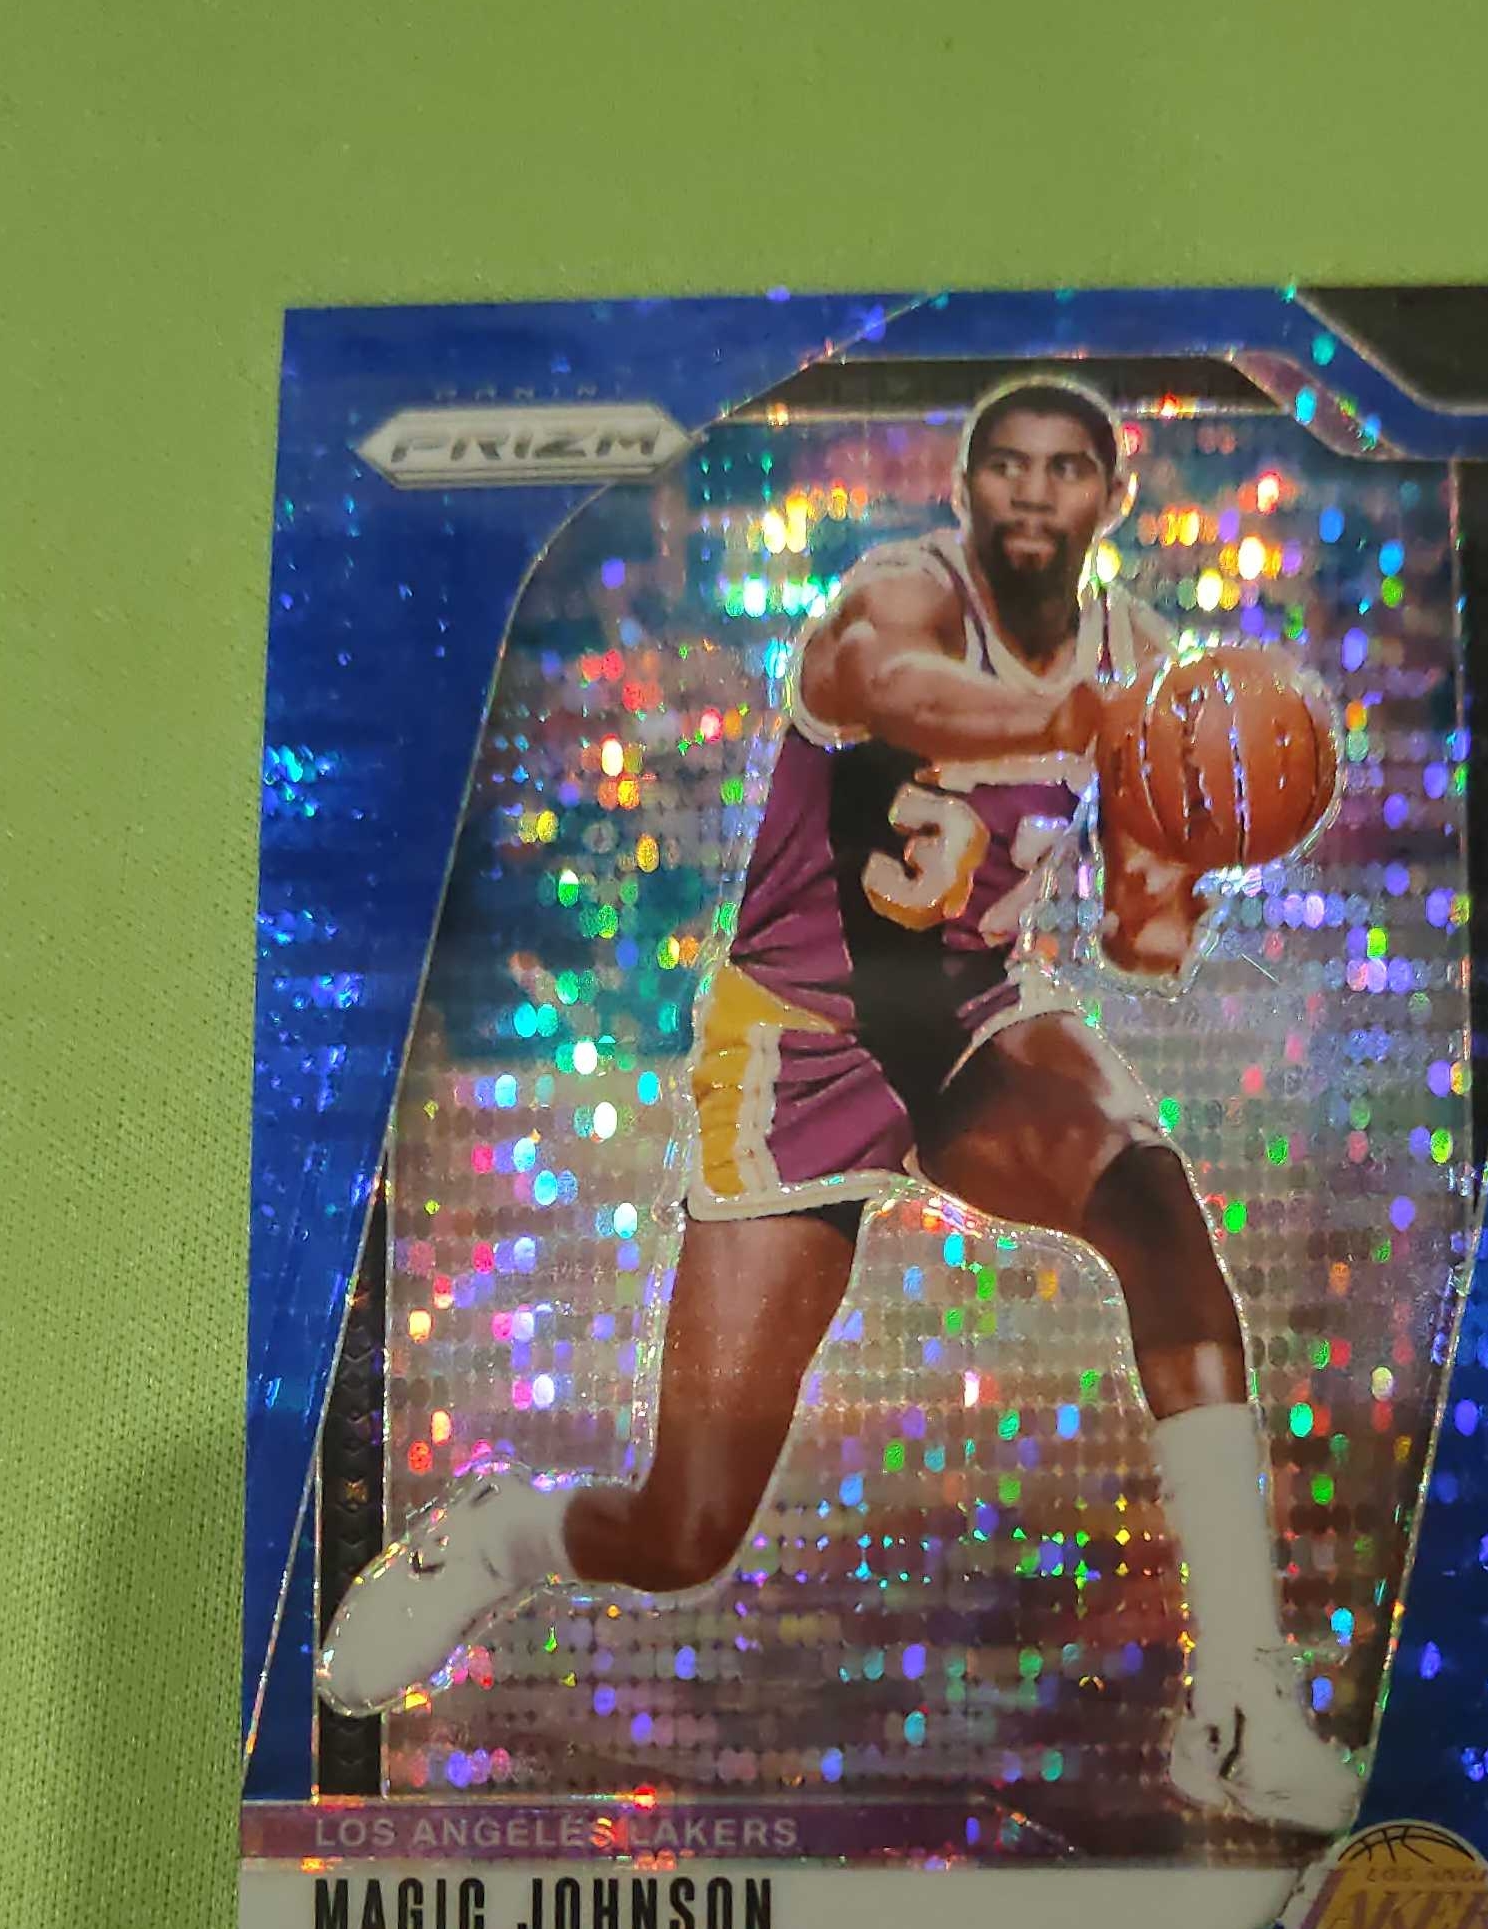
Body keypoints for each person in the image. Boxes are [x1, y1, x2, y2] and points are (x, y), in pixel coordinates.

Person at [320, 374, 1357, 1832]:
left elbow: (1144, 938)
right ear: (966, 488)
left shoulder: (1139, 658)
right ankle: (502, 1538)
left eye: (1067, 468)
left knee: (1157, 1211)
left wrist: (1188, 839)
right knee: (687, 1528)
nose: (1033, 492)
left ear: (1112, 499)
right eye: (1007, 465)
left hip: (975, 1020)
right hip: (800, 1043)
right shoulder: (895, 598)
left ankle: (1242, 1698)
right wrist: (1078, 719)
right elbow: (896, 691)